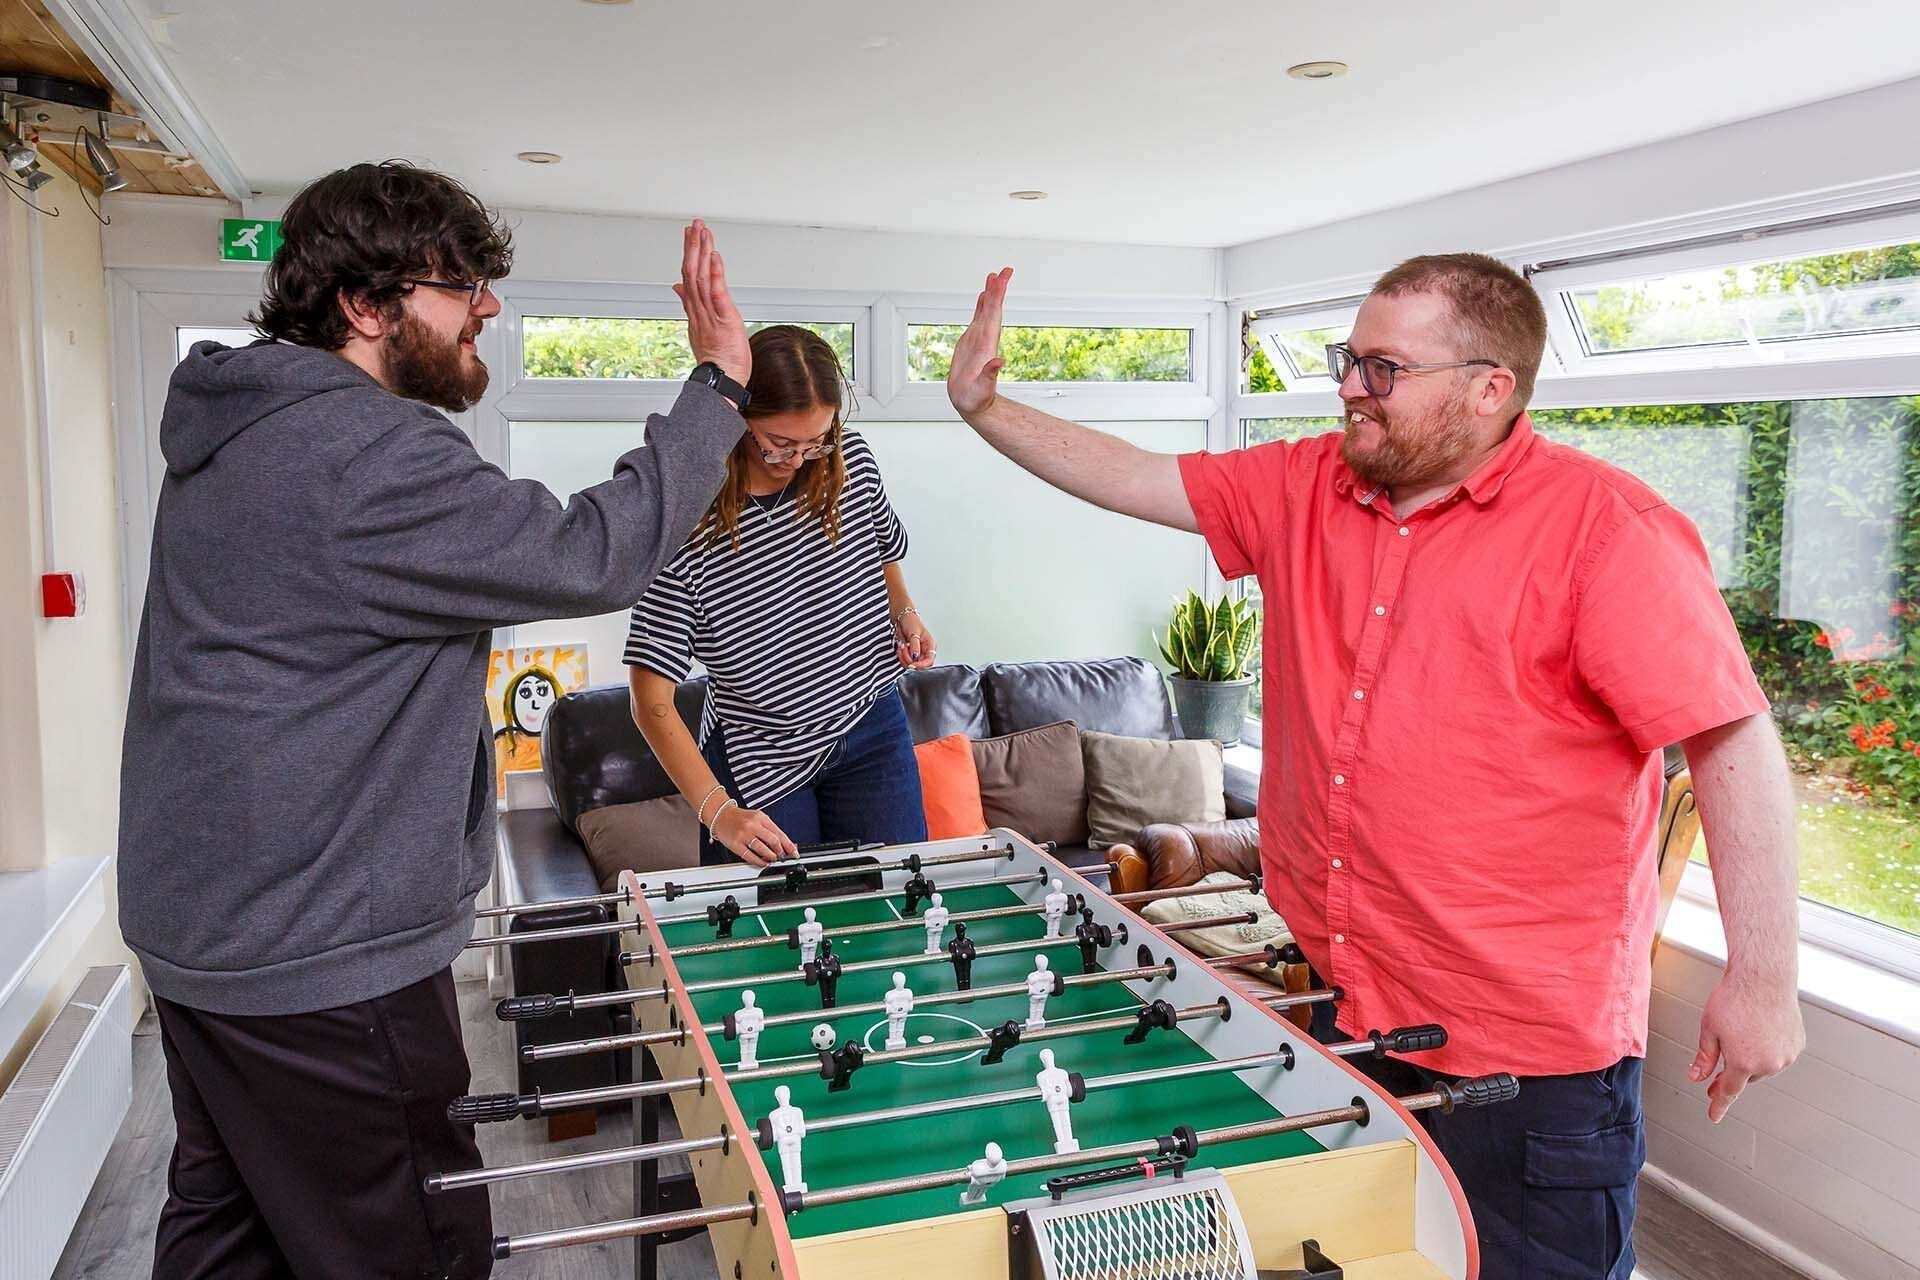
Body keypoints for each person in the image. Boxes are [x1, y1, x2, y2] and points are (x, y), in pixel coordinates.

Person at [944, 257, 1805, 1279]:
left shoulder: (1605, 531)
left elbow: (1732, 738)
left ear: (1490, 388)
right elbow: (1130, 474)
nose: (1349, 384)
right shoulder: (1306, 482)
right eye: (1348, 359)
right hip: (1348, 1009)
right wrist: (984, 408)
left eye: (1382, 367)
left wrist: (1762, 976)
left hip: (1526, 1057)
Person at [117, 160, 752, 1280]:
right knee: (415, 1244)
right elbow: (592, 550)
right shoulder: (362, 453)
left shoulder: (235, 431)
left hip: (204, 933)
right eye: (460, 284)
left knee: (233, 1234)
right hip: (322, 954)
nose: (488, 308)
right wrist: (717, 386)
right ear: (367, 308)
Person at [626, 324, 936, 866]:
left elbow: (882, 546)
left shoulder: (849, 463)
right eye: (780, 444)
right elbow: (649, 701)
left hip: (872, 726)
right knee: (779, 935)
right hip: (761, 756)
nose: (799, 459)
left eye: (816, 440)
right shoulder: (686, 518)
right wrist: (719, 811)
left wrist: (904, 611)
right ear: (739, 421)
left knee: (898, 905)